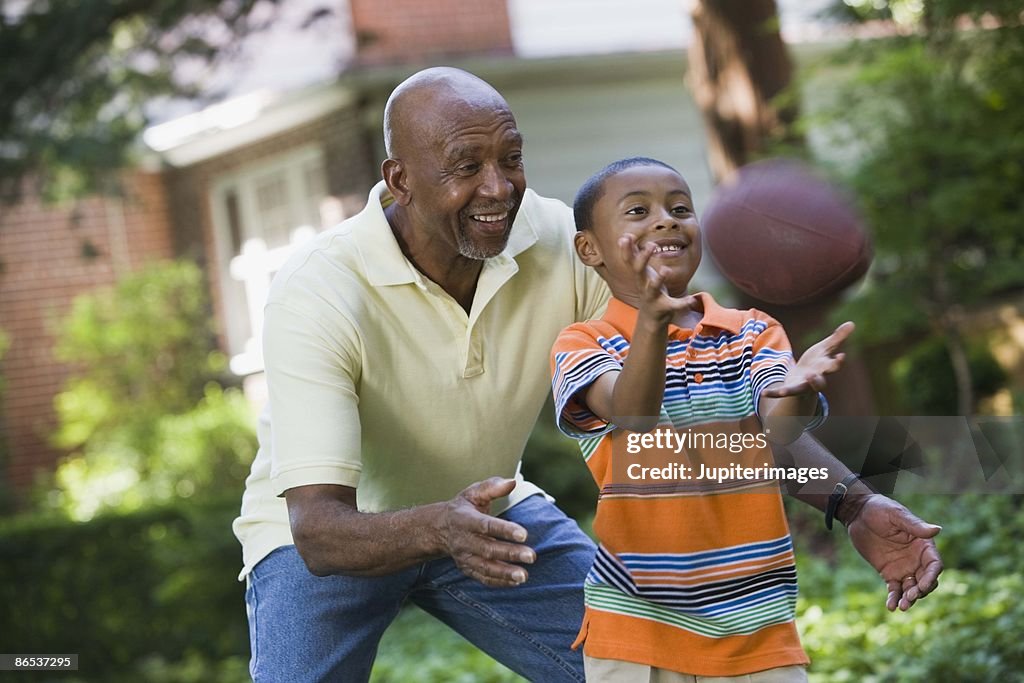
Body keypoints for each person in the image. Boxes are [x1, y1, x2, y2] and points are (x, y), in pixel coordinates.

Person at [232, 67, 610, 682]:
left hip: (485, 511)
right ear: (400, 179)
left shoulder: (562, 242)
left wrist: (818, 481)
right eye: (466, 167)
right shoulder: (320, 290)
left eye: (510, 158)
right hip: (332, 535)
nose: (498, 187)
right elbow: (319, 532)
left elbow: (690, 386)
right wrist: (437, 527)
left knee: (642, 661)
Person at [550, 157, 944, 682]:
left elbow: (777, 434)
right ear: (589, 248)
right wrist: (651, 322)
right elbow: (632, 414)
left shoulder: (750, 331)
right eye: (638, 211)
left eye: (680, 208)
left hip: (757, 632)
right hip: (637, 633)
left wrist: (796, 393)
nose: (666, 220)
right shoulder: (585, 342)